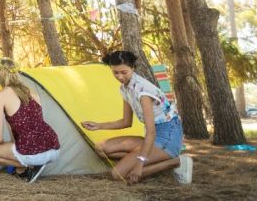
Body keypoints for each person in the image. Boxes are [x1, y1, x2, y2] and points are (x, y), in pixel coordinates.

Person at [81, 50, 193, 184]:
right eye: (115, 72)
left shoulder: (143, 91)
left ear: (132, 68)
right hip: (152, 137)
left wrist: (139, 164)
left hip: (167, 138)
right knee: (101, 148)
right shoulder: (125, 89)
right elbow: (126, 122)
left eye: (124, 72)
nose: (120, 76)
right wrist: (98, 125)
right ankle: (142, 159)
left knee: (118, 174)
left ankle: (176, 162)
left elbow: (151, 131)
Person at [0, 58, 60, 183]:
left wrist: (6, 146)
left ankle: (27, 167)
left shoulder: (0, 96)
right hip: (53, 147)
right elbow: (33, 121)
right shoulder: (29, 90)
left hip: (33, 152)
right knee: (20, 146)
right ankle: (26, 168)